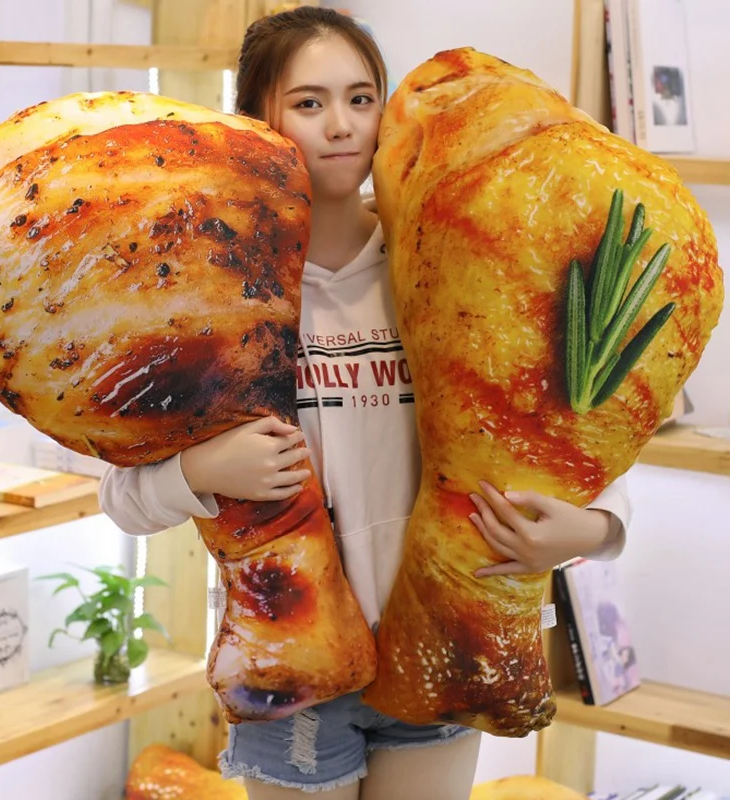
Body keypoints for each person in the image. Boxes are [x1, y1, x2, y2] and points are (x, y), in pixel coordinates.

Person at [99, 7, 632, 798]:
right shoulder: (214, 295)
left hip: (442, 642)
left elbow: (574, 440)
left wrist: (594, 531)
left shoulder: (455, 266)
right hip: (293, 663)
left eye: (361, 98)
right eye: (308, 103)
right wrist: (203, 469)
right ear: (256, 121)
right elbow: (120, 498)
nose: (342, 125)